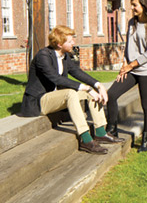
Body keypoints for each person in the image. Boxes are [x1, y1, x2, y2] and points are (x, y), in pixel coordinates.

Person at [21, 24, 122, 154]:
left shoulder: (64, 56)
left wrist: (97, 85)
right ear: (59, 44)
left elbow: (77, 72)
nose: (73, 43)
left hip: (56, 97)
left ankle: (100, 132)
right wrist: (85, 88)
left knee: (90, 93)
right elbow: (55, 78)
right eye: (70, 41)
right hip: (38, 101)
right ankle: (85, 139)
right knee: (71, 93)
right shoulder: (43, 56)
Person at [105, 0, 147, 153]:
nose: (132, 8)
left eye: (135, 5)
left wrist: (130, 66)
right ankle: (112, 129)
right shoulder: (132, 22)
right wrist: (124, 66)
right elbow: (128, 47)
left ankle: (146, 139)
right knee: (112, 95)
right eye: (132, 5)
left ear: (144, 6)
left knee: (146, 105)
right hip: (130, 69)